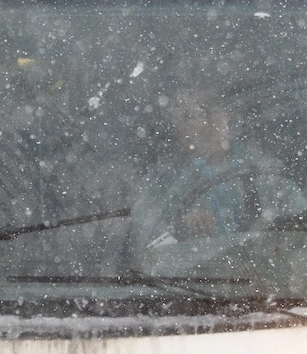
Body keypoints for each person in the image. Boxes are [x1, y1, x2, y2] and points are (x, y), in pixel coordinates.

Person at [126, 85, 307, 266]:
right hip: (192, 288)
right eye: (189, 116)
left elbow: (301, 231)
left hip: (269, 286)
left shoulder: (268, 171)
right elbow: (146, 256)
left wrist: (273, 238)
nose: (208, 122)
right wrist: (179, 230)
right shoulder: (162, 185)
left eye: (212, 110)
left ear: (226, 115)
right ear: (175, 126)